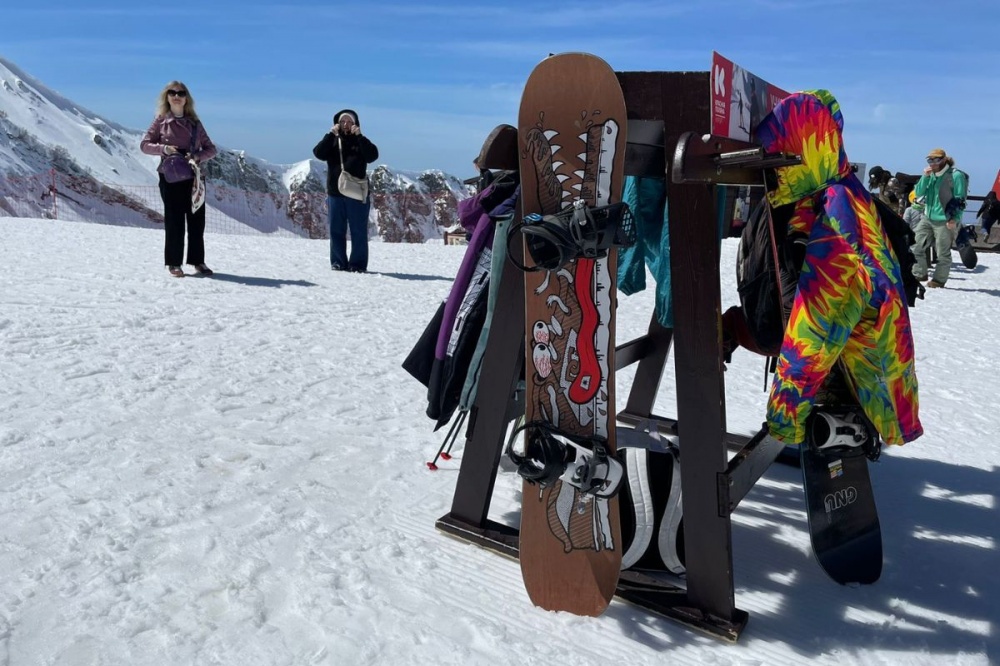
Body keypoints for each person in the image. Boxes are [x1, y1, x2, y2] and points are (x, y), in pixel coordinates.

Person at [754, 89, 922, 448]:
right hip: (878, 364)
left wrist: (785, 415)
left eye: (778, 153)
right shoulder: (844, 190)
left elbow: (818, 323)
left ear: (802, 152)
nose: (772, 166)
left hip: (871, 382)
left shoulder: (837, 215)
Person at [140, 81, 217, 277]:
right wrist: (164, 149)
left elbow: (211, 149)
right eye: (172, 92)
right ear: (167, 97)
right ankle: (174, 263)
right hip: (170, 175)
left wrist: (197, 157)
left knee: (196, 220)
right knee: (174, 220)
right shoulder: (160, 121)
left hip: (194, 177)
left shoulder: (195, 124)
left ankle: (198, 261)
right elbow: (145, 145)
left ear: (186, 98)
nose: (176, 96)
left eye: (180, 93)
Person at [312, 109, 379, 272]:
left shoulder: (360, 142)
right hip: (336, 193)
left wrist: (360, 137)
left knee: (358, 231)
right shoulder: (333, 141)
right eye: (343, 122)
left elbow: (372, 156)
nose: (346, 125)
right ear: (337, 123)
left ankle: (357, 264)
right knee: (336, 230)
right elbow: (318, 153)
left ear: (355, 124)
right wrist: (330, 135)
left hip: (357, 194)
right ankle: (338, 262)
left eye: (349, 122)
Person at [910, 148, 968, 288]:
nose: (933, 163)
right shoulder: (931, 175)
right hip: (927, 217)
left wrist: (954, 218)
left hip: (945, 220)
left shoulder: (955, 175)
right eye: (930, 160)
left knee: (942, 253)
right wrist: (925, 177)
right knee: (915, 246)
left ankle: (938, 280)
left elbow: (961, 199)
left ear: (943, 160)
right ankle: (920, 273)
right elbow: (918, 192)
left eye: (937, 160)